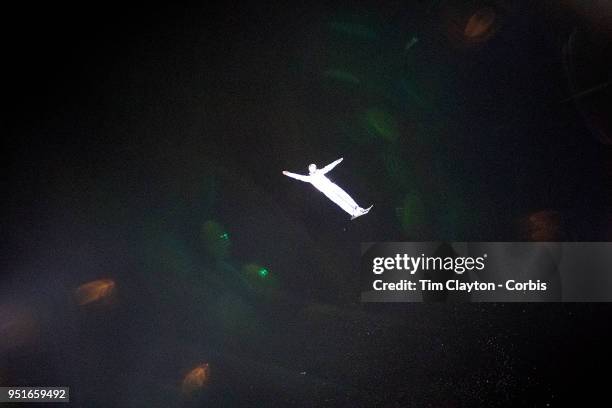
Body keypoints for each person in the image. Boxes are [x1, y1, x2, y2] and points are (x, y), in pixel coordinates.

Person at [283, 158, 372, 219]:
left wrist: (337, 161)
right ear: (310, 170)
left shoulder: (320, 171)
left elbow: (329, 167)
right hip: (326, 190)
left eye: (314, 166)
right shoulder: (309, 178)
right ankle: (353, 212)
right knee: (339, 201)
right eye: (311, 167)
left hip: (331, 185)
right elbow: (299, 177)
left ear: (315, 167)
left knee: (345, 195)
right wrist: (289, 174)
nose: (313, 168)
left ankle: (358, 208)